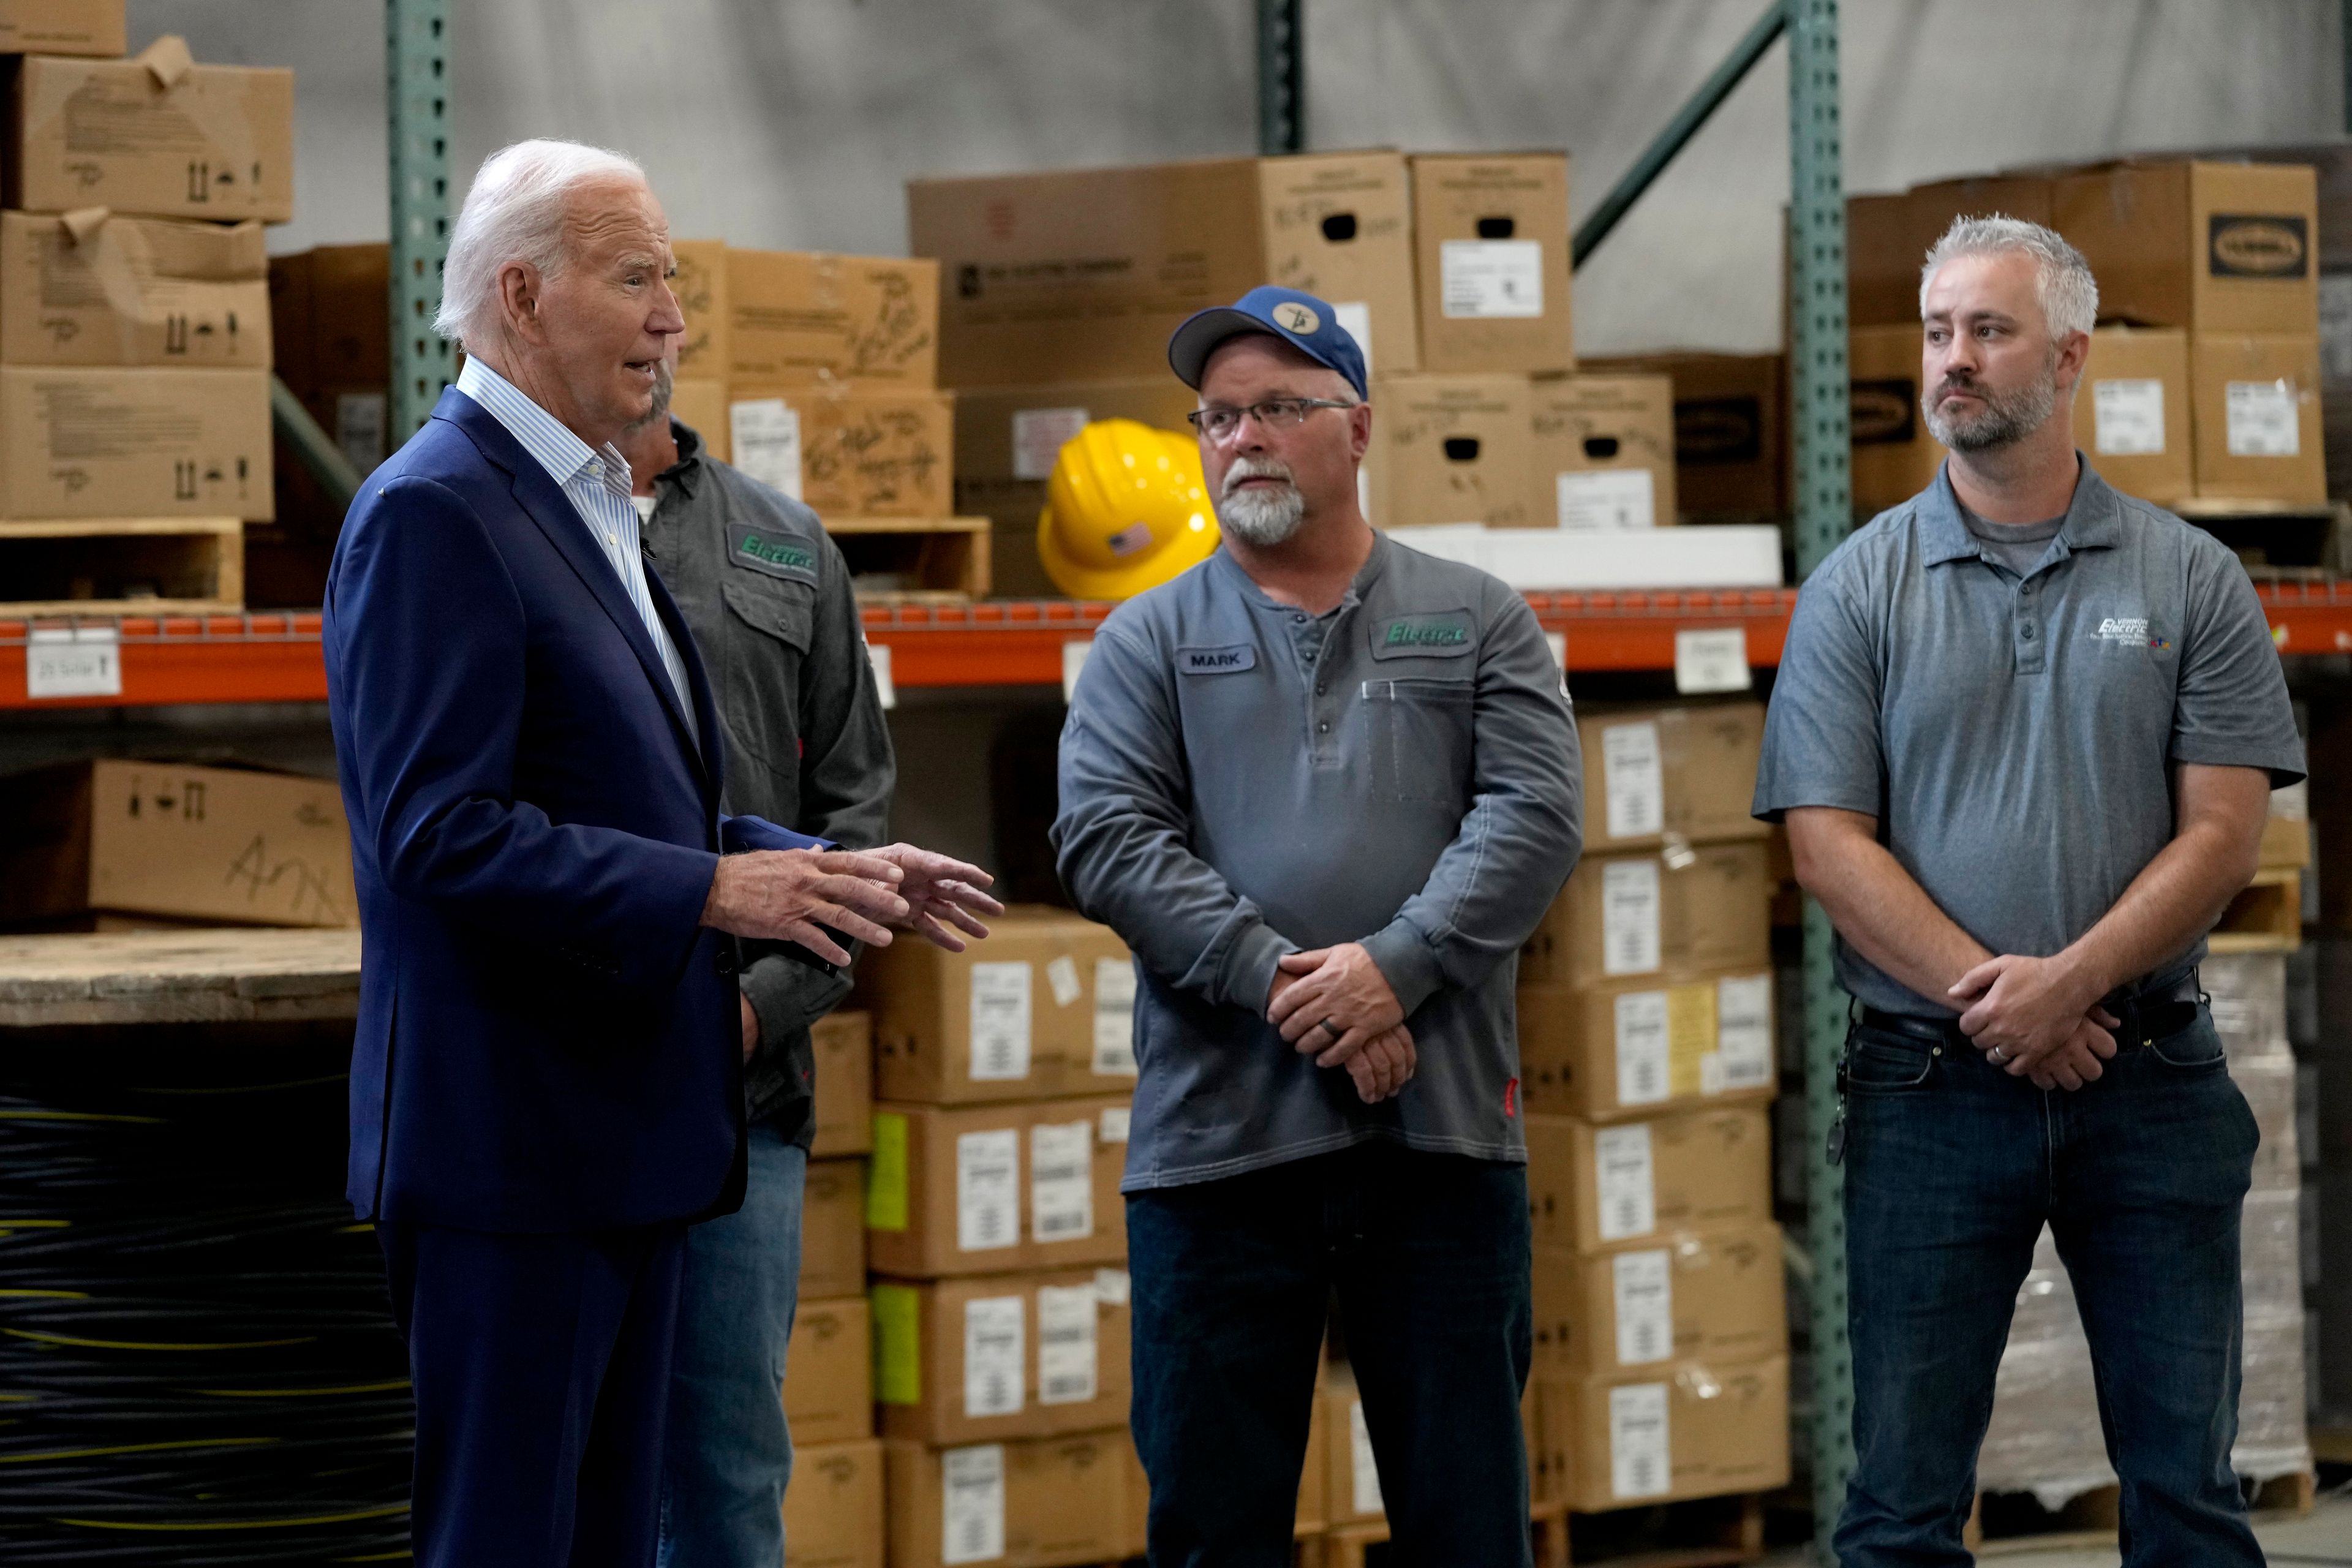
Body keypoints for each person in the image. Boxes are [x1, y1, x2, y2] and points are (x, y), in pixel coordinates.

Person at [323, 139, 994, 1568]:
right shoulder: (437, 511)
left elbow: (633, 797)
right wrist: (710, 887)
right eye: (638, 280)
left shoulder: (580, 503)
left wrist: (814, 864)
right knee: (510, 1541)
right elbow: (437, 829)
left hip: (621, 1141)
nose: (672, 320)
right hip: (513, 1153)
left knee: (617, 1540)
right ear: (519, 293)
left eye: (672, 282)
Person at [1755, 216, 2304, 1567]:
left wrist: (2074, 982)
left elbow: (2224, 831)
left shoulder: (2192, 577)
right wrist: (2005, 1002)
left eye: (1987, 331)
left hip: (2150, 1080)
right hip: (1930, 1089)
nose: (1954, 360)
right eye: (1939, 332)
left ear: (2068, 358)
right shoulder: (1857, 587)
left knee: (2187, 1489)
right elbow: (1827, 843)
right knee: (1899, 1508)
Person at [1052, 287, 1583, 1566]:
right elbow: (1106, 838)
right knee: (1213, 1525)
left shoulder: (1474, 616)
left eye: (1279, 408)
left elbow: (1535, 816)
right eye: (1218, 416)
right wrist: (1298, 987)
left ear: (1356, 428)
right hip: (1219, 1153)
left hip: (1439, 1143)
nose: (1242, 438)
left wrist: (1394, 972)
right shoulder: (1148, 640)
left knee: (1466, 1521)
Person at [612, 350, 993, 1566]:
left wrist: (747, 1018)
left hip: (743, 1097)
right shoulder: (515, 532)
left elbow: (856, 843)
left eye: (659, 317)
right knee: (566, 1465)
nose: (647, 343)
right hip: (572, 1082)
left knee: (727, 1467)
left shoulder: (785, 546)